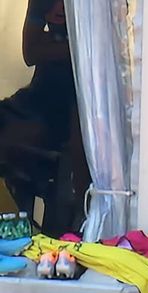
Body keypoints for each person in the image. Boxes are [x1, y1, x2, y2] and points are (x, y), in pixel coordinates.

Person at [0, 0, 86, 235]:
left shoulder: (92, 8)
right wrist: (76, 48)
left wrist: (57, 46)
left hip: (77, 103)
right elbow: (31, 51)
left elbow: (102, 50)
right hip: (39, 98)